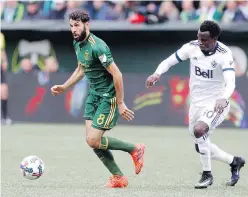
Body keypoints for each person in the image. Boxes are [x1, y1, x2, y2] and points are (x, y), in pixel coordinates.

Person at [50, 10, 145, 188]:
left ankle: (134, 148)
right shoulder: (77, 43)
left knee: (93, 140)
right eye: (71, 26)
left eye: (77, 25)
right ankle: (118, 177)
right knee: (92, 141)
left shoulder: (98, 46)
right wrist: (65, 86)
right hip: (94, 94)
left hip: (108, 97)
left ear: (87, 24)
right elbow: (81, 68)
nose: (73, 29)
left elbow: (117, 74)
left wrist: (121, 102)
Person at [146, 20, 245, 189]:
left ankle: (207, 175)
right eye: (198, 37)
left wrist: (224, 98)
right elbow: (169, 61)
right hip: (196, 103)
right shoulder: (191, 47)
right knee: (201, 146)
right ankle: (234, 161)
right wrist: (157, 73)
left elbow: (230, 82)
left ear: (214, 39)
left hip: (216, 103)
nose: (200, 42)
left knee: (200, 131)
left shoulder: (224, 54)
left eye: (204, 39)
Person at [1, 32, 12, 125]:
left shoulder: (1, 36)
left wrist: (5, 60)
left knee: (4, 91)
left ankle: (4, 117)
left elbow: (2, 50)